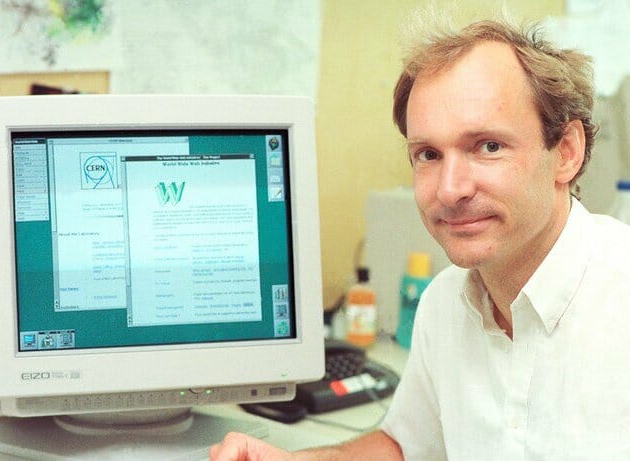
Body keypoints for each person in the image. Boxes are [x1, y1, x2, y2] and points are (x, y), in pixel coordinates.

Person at [210, 18, 630, 461]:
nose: (450, 189)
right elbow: (405, 446)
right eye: (428, 155)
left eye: (488, 146)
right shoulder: (445, 302)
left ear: (566, 152)